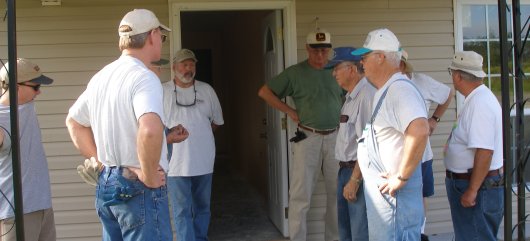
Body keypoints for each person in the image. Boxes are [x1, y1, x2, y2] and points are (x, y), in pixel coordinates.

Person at [65, 9, 184, 241]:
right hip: (138, 189)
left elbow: (74, 122)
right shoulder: (144, 76)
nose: (161, 41)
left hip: (107, 183)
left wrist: (102, 165)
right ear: (152, 36)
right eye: (161, 36)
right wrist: (148, 175)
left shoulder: (101, 77)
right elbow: (149, 130)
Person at [258, 29, 341, 241]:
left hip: (336, 138)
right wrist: (289, 111)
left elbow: (352, 95)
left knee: (337, 196)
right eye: (315, 51)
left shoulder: (338, 70)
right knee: (300, 196)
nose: (320, 55)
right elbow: (264, 92)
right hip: (308, 137)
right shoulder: (295, 73)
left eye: (324, 50)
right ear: (307, 49)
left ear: (329, 50)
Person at [351, 28, 429, 241]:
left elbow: (420, 129)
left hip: (396, 204)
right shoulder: (386, 90)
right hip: (387, 205)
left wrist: (401, 177)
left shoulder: (399, 90)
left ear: (381, 57)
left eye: (365, 57)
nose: (361, 63)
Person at [162, 48, 224, 241]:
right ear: (174, 67)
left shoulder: (207, 90)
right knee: (181, 211)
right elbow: (155, 125)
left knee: (202, 208)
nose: (189, 68)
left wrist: (200, 137)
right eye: (184, 64)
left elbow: (217, 122)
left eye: (192, 64)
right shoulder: (162, 91)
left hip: (204, 162)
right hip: (175, 165)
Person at [444, 51, 503, 241]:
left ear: (458, 76)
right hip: (474, 185)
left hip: (477, 187)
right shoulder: (477, 99)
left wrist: (472, 190)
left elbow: (485, 151)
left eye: (451, 72)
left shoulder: (480, 104)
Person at [400, 49, 454, 241]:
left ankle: (419, 233)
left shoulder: (421, 81)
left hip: (422, 154)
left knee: (420, 195)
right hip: (396, 157)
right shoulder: (384, 85)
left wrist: (435, 119)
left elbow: (448, 94)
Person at [0, 58, 56, 241]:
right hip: (17, 211)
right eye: (36, 86)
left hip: (42, 205)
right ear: (15, 86)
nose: (39, 92)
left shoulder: (26, 105)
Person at [328, 47, 375, 241]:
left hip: (358, 171)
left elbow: (367, 145)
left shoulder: (365, 96)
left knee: (359, 232)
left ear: (353, 69)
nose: (333, 73)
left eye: (337, 68)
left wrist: (355, 180)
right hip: (345, 170)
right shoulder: (351, 97)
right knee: (345, 230)